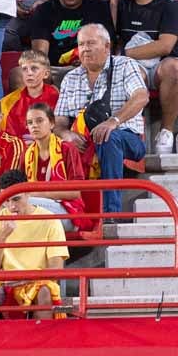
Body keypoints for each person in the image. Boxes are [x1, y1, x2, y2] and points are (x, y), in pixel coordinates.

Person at [54, 24, 147, 214]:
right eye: (81, 44)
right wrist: (66, 133)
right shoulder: (70, 78)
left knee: (107, 137)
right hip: (84, 141)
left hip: (127, 137)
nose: (85, 48)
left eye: (91, 43)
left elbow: (141, 96)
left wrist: (113, 122)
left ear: (107, 46)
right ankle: (68, 210)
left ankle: (111, 212)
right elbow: (59, 121)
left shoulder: (124, 65)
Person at [111, 0, 178, 154]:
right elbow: (114, 38)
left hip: (163, 65)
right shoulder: (122, 3)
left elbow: (164, 46)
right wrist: (113, 4)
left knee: (172, 68)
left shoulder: (169, 4)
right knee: (130, 74)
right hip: (133, 66)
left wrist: (127, 53)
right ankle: (132, 134)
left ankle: (166, 131)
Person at [0, 169, 67, 319]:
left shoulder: (50, 219)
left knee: (45, 290)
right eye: (6, 200)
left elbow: (56, 270)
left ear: (28, 193)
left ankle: (43, 341)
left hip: (38, 282)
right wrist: (2, 237)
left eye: (16, 199)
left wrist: (27, 278)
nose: (11, 206)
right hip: (6, 282)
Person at [28, 0, 114, 71]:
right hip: (55, 70)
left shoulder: (99, 8)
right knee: (19, 74)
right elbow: (40, 55)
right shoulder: (43, 11)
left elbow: (108, 46)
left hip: (92, 68)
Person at [23, 102, 89, 232]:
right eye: (30, 122)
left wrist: (37, 194)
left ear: (52, 123)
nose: (34, 125)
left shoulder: (67, 149)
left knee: (25, 204)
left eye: (39, 120)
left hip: (68, 212)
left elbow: (75, 193)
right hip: (37, 210)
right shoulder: (26, 154)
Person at [0, 49, 59, 143]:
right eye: (24, 69)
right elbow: (5, 138)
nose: (29, 73)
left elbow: (61, 130)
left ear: (46, 74)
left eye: (34, 68)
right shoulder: (7, 103)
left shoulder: (58, 98)